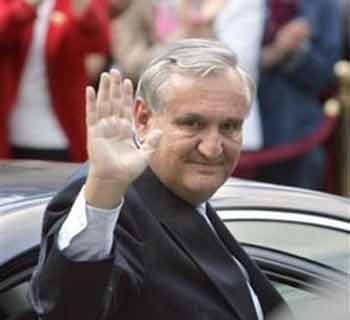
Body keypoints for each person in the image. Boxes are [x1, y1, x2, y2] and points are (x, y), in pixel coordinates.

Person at [28, 39, 292, 319]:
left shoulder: (185, 194)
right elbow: (70, 310)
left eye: (229, 126)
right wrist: (104, 188)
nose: (212, 148)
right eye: (192, 124)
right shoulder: (113, 202)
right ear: (143, 119)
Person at [0, 0, 111, 161]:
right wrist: (26, 7)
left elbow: (99, 44)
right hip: (10, 133)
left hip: (61, 134)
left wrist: (85, 12)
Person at [256, 0, 341, 189]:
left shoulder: (322, 5)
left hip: (299, 134)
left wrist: (296, 49)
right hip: (244, 134)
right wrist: (277, 50)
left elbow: (323, 75)